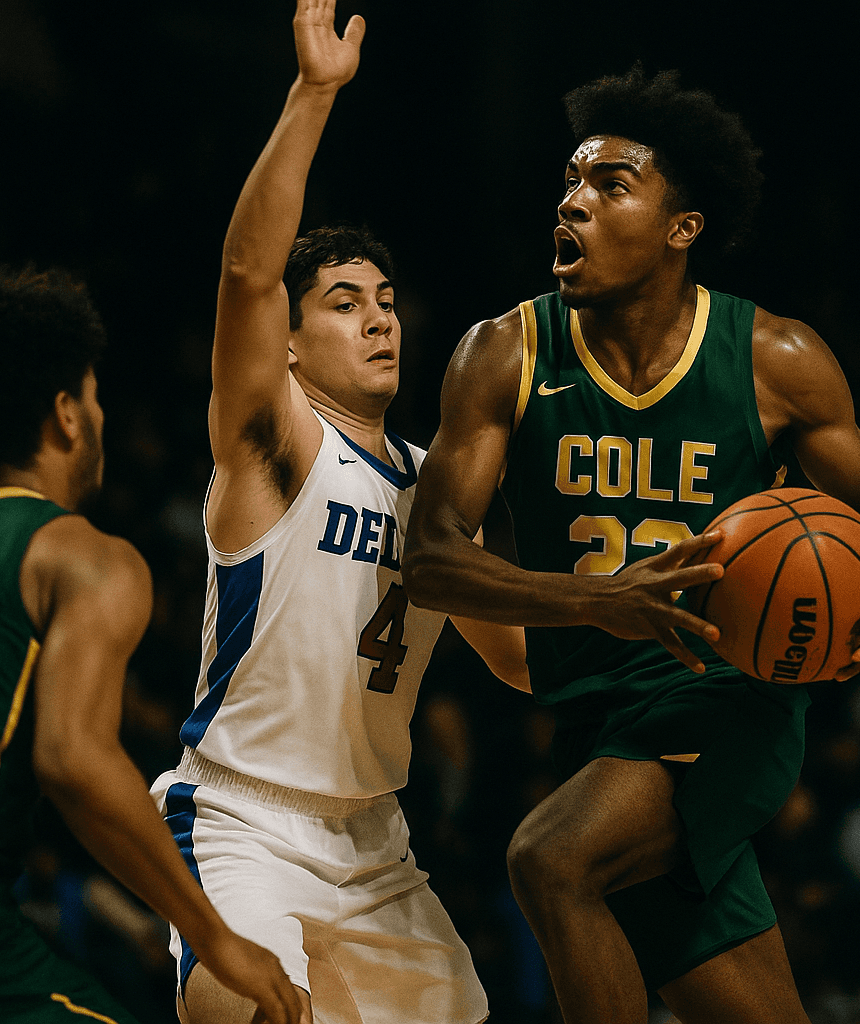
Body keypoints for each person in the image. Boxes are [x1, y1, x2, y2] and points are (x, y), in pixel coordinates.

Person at [402, 66, 860, 1024]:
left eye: (611, 186)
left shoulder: (775, 357)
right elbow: (431, 560)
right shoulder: (505, 352)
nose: (574, 202)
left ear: (682, 227)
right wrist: (596, 602)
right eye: (571, 182)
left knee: (550, 862)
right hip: (595, 722)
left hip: (727, 697)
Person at [151, 3, 528, 1023]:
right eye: (346, 302)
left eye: (387, 301)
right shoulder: (275, 442)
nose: (378, 318)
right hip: (240, 817)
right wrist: (314, 92)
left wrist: (647, 615)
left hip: (374, 842)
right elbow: (247, 273)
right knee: (249, 1010)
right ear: (288, 340)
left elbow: (520, 661)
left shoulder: (442, 487)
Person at [0, 268, 302, 1024]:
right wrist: (216, 938)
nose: (102, 415)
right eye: (95, 395)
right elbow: (72, 758)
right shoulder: (81, 556)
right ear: (67, 415)